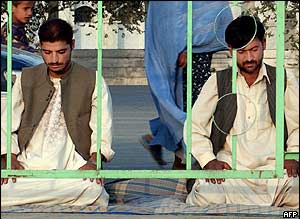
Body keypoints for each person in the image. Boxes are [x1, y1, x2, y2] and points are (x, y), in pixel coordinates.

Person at [185, 15, 299, 208]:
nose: (249, 58)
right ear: (230, 50)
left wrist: (292, 156)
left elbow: (297, 124)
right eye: (242, 52)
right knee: (206, 193)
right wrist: (208, 161)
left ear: (264, 44)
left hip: (274, 172)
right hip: (231, 171)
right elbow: (194, 126)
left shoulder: (283, 79)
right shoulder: (218, 81)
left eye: (254, 49)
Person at [1, 18, 115, 207]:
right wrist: (10, 159)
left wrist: (94, 162)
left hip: (72, 168)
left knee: (93, 191)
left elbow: (103, 127)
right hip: (28, 168)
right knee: (5, 188)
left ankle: (37, 197)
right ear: (40, 49)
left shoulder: (92, 80)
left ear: (72, 45)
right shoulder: (25, 79)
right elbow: (7, 123)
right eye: (47, 52)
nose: (54, 59)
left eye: (61, 52)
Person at [141, 1, 233, 168]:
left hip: (199, 56)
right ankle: (181, 163)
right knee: (188, 108)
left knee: (198, 108)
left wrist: (193, 46)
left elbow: (215, 11)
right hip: (181, 59)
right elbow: (166, 21)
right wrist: (183, 48)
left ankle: (161, 141)